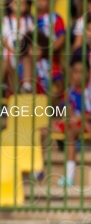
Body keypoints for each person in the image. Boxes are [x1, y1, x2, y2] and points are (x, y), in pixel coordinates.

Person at [39, 58, 91, 187]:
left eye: (81, 72)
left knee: (70, 131)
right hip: (73, 122)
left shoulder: (89, 92)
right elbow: (69, 114)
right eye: (75, 72)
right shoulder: (68, 93)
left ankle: (69, 177)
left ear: (88, 74)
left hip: (86, 124)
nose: (78, 75)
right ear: (71, 73)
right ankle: (38, 167)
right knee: (42, 130)